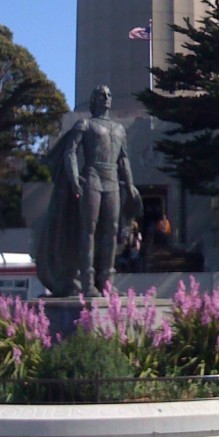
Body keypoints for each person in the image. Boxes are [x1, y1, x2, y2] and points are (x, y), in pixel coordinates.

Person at [64, 85, 142, 296]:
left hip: (113, 180)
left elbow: (123, 159)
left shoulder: (119, 129)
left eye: (109, 94)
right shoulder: (86, 124)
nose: (107, 98)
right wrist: (73, 177)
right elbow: (70, 151)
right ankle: (87, 282)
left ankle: (107, 282)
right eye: (102, 94)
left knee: (111, 231)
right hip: (92, 177)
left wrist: (131, 184)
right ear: (94, 99)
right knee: (89, 230)